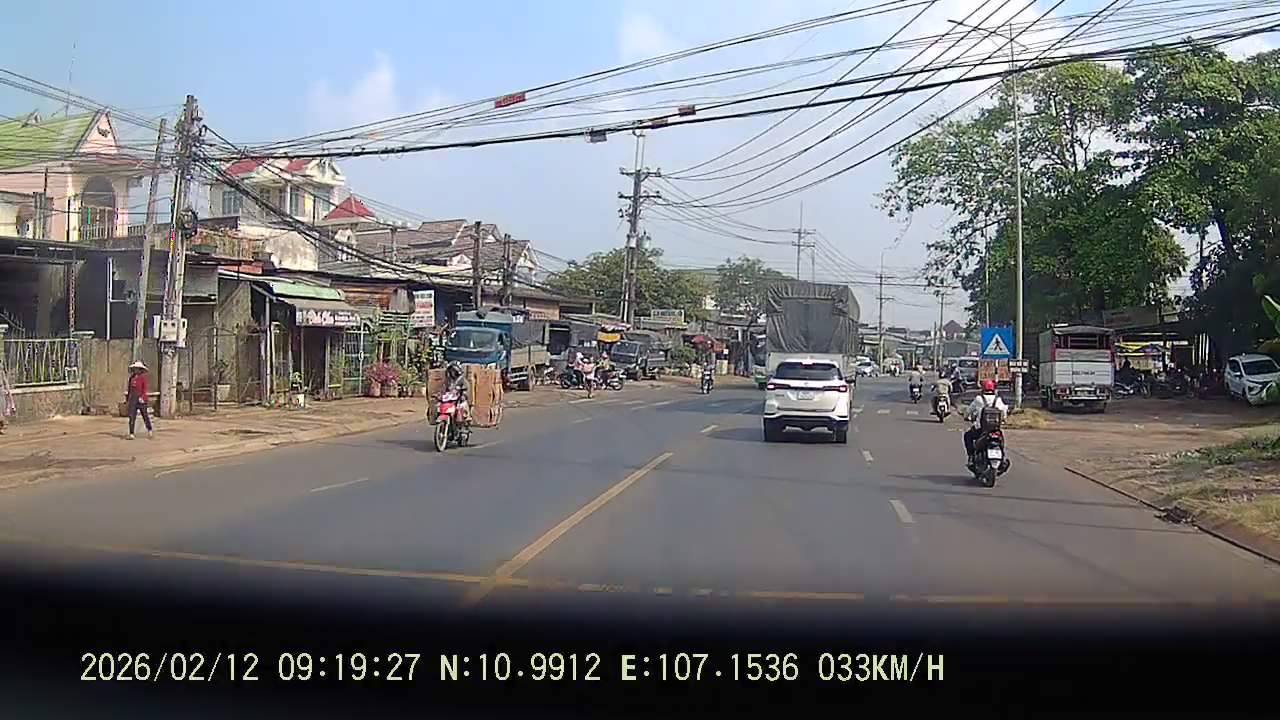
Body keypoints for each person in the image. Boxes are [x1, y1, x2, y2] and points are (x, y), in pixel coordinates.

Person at [963, 379, 1008, 467]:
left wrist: (966, 416)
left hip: (980, 429)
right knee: (1001, 441)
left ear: (983, 389)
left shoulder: (978, 399)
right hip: (995, 429)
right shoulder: (998, 400)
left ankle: (971, 457)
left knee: (967, 436)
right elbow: (1004, 412)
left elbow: (969, 411)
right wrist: (1004, 420)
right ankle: (1003, 459)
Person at [125, 360, 153, 440]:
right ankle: (131, 433)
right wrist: (128, 399)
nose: (136, 370)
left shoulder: (143, 378)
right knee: (132, 416)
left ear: (140, 370)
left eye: (137, 368)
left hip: (141, 398)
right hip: (133, 398)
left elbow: (144, 389)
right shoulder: (131, 378)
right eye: (135, 368)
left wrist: (142, 397)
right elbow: (129, 390)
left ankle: (149, 429)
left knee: (145, 415)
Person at [0, 362, 14, 435]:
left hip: (1, 389)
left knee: (2, 408)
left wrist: (8, 390)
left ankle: (1, 425)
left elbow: (5, 380)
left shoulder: (1, 369)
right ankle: (2, 422)